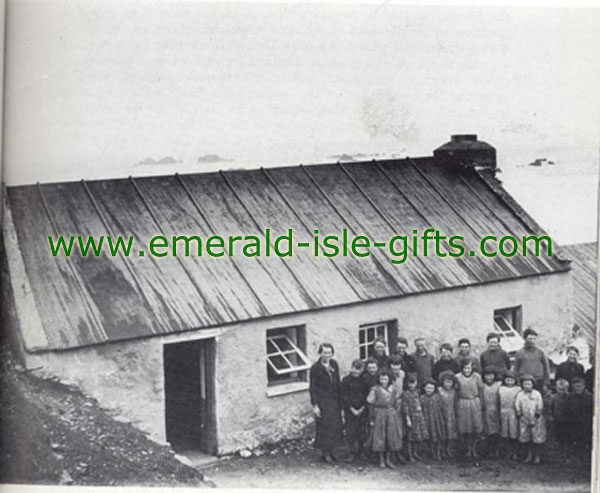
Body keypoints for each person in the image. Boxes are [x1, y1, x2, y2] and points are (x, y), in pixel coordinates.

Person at [309, 342, 343, 463]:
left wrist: (340, 401)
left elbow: (337, 382)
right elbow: (312, 387)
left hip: (334, 400)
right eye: (325, 352)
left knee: (334, 426)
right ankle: (325, 453)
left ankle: (332, 450)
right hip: (323, 401)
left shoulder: (334, 364)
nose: (327, 355)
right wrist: (315, 405)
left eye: (329, 353)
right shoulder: (315, 368)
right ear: (320, 353)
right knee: (324, 427)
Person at [367, 369, 404, 468]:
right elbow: (370, 404)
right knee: (380, 437)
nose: (383, 381)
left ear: (389, 379)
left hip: (391, 415)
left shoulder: (394, 389)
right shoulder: (375, 389)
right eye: (381, 379)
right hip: (379, 414)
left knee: (390, 437)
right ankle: (381, 460)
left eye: (385, 379)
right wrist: (371, 419)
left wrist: (396, 414)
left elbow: (397, 403)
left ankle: (388, 459)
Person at [340, 359, 370, 463]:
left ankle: (361, 452)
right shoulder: (346, 380)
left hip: (362, 410)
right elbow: (344, 396)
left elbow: (367, 396)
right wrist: (351, 409)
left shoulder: (364, 381)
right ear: (351, 368)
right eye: (355, 369)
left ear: (362, 370)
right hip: (350, 411)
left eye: (359, 369)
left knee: (361, 432)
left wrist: (362, 408)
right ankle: (352, 453)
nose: (357, 371)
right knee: (351, 432)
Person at [515, 374, 546, 464]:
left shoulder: (537, 394)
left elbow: (540, 406)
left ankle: (537, 456)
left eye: (529, 384)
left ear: (533, 384)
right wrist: (522, 418)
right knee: (526, 439)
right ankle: (529, 455)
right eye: (525, 384)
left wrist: (535, 419)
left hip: (536, 420)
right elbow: (517, 407)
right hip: (524, 420)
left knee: (537, 439)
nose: (527, 386)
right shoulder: (520, 395)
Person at [455, 360, 484, 458]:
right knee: (466, 427)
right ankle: (468, 449)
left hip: (474, 402)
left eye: (469, 368)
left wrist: (481, 403)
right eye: (465, 368)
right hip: (463, 403)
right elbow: (456, 391)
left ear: (472, 368)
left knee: (476, 427)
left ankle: (474, 449)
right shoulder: (457, 377)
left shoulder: (477, 377)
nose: (467, 370)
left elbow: (480, 391)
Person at [566, 376, 594, 466]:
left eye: (580, 386)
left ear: (584, 386)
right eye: (575, 386)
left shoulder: (589, 397)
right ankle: (571, 458)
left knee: (584, 441)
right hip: (573, 423)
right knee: (572, 441)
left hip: (585, 423)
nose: (578, 388)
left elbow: (591, 411)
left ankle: (583, 459)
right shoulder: (570, 397)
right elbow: (566, 410)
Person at [513, 328, 550, 392]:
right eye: (530, 339)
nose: (532, 341)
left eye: (534, 339)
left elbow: (546, 368)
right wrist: (517, 382)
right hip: (524, 381)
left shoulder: (541, 352)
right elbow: (516, 369)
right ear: (525, 339)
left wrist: (545, 383)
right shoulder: (519, 352)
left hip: (538, 381)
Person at [401, 374, 428, 461]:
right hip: (411, 417)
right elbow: (405, 407)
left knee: (417, 436)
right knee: (410, 438)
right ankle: (410, 455)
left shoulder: (418, 392)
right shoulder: (405, 394)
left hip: (418, 416)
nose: (411, 385)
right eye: (410, 383)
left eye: (413, 383)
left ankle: (415, 452)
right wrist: (407, 418)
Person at [420, 379, 446, 461]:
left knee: (438, 437)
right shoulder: (422, 398)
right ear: (424, 388)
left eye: (431, 388)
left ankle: (438, 453)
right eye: (427, 388)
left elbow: (442, 407)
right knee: (430, 437)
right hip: (427, 420)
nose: (429, 390)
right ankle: (432, 452)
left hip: (436, 420)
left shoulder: (437, 397)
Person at [498, 370, 520, 460]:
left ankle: (515, 452)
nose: (509, 381)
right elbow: (498, 401)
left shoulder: (518, 389)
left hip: (513, 413)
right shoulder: (501, 388)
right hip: (503, 412)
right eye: (507, 380)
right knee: (505, 434)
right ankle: (508, 452)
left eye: (512, 380)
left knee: (514, 434)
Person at [388, 355, 406, 464]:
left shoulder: (402, 374)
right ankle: (392, 454)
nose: (395, 368)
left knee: (400, 428)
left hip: (400, 402)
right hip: (390, 403)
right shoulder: (387, 375)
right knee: (391, 428)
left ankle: (399, 451)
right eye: (393, 365)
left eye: (397, 365)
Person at [438, 370, 459, 458]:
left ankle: (449, 449)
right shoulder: (439, 390)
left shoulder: (454, 391)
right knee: (443, 433)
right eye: (446, 382)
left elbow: (455, 403)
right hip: (442, 414)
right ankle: (442, 450)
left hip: (451, 414)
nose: (448, 384)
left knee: (451, 433)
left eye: (450, 382)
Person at [549, 378, 571, 464]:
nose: (561, 391)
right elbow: (551, 408)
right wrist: (551, 417)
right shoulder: (554, 398)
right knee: (559, 439)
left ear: (567, 389)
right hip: (558, 421)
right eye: (559, 389)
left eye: (563, 389)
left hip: (567, 422)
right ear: (556, 388)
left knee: (568, 440)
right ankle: (561, 455)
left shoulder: (570, 397)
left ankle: (568, 456)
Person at [481, 368, 501, 458]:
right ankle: (489, 451)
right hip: (486, 411)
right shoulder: (482, 386)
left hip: (496, 410)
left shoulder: (498, 385)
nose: (489, 377)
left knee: (496, 432)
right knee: (488, 431)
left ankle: (496, 450)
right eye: (487, 375)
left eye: (491, 375)